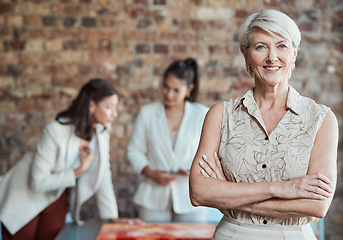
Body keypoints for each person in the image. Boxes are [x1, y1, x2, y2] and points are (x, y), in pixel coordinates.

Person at [189, 9, 338, 240]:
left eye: (281, 46)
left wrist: (233, 195)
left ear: (294, 53)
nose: (272, 57)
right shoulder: (221, 115)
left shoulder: (321, 119)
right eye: (261, 47)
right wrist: (281, 189)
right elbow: (199, 192)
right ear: (245, 53)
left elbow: (317, 205)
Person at [0, 79, 128, 240]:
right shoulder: (56, 130)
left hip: (57, 195)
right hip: (26, 195)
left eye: (116, 108)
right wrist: (78, 171)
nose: (114, 114)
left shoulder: (102, 132)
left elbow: (103, 174)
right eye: (109, 107)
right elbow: (37, 182)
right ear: (92, 106)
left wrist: (112, 216)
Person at [127, 58, 209, 223]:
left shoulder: (202, 115)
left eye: (176, 90)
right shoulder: (147, 113)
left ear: (188, 89)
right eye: (166, 87)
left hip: (191, 196)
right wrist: (150, 172)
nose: (169, 94)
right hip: (152, 196)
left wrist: (195, 168)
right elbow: (134, 151)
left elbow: (212, 153)